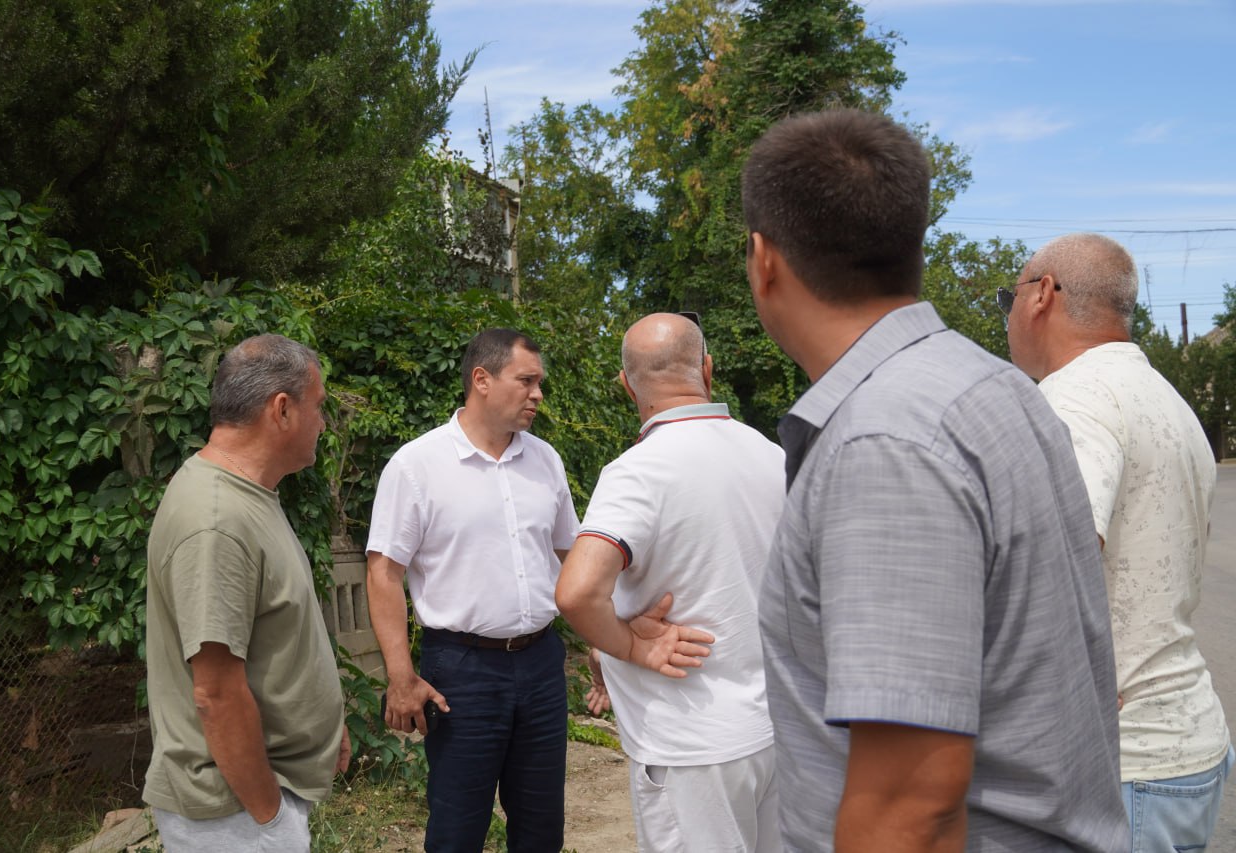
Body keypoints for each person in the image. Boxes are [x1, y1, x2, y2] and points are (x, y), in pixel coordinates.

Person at [741, 108, 1129, 851]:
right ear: (910, 243)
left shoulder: (885, 441)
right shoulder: (989, 385)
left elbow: (910, 808)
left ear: (764, 259)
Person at [1004, 232, 1234, 850]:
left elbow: (1053, 559)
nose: (1008, 314)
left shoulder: (1074, 398)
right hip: (1186, 746)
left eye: (1009, 295)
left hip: (1121, 766)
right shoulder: (1167, 400)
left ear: (1043, 294)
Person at [555, 312, 784, 852]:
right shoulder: (771, 455)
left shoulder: (641, 470)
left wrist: (628, 644)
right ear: (708, 370)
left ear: (625, 383)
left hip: (692, 743)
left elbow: (577, 592)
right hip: (776, 730)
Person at [365, 328, 580, 852]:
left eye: (540, 383)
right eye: (526, 381)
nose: (538, 394)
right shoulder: (418, 466)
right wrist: (400, 677)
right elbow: (383, 572)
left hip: (542, 664)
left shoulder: (545, 461)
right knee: (458, 826)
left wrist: (601, 636)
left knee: (541, 826)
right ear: (481, 379)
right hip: (462, 671)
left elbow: (570, 557)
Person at [143, 334, 350, 852]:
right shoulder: (216, 521)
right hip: (235, 817)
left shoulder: (246, 495)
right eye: (319, 407)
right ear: (281, 410)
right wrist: (270, 818)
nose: (323, 424)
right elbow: (216, 694)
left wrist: (324, 732)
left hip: (251, 805)